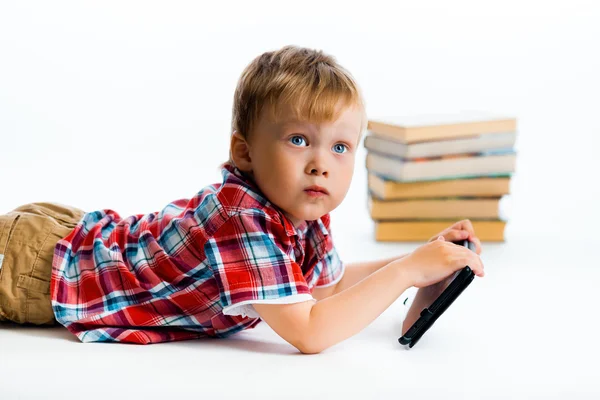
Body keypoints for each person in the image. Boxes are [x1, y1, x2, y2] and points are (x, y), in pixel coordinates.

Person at [0, 45, 484, 352]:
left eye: (340, 147)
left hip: (73, 242)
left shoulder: (301, 213)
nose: (321, 163)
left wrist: (422, 258)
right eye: (299, 140)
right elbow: (310, 331)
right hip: (40, 268)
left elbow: (325, 290)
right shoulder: (242, 215)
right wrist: (407, 271)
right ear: (244, 151)